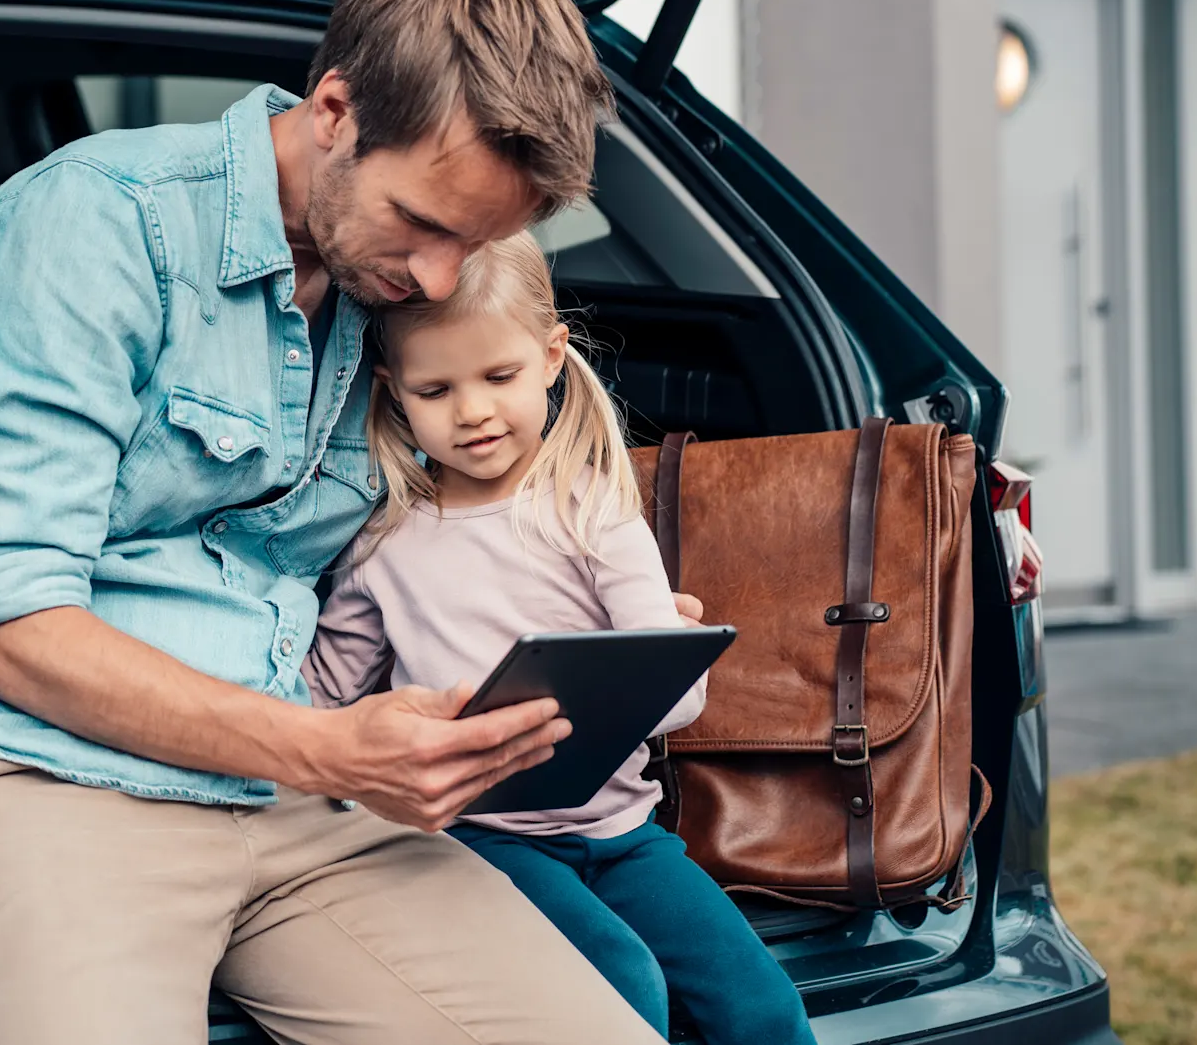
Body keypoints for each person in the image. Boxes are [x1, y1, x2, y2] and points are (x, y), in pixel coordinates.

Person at [0, 0, 680, 1045]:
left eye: (468, 246)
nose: (431, 280)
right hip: (27, 780)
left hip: (298, 802)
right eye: (423, 223)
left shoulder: (395, 290)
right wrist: (329, 749)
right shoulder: (92, 221)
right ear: (333, 111)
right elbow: (1, 622)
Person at [306, 234, 817, 1045]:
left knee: (761, 1006)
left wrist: (649, 657)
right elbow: (322, 701)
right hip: (478, 839)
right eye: (435, 389)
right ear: (393, 391)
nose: (471, 410)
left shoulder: (594, 511)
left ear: (550, 358)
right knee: (624, 987)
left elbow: (677, 696)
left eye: (498, 377)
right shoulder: (384, 544)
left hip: (623, 831)